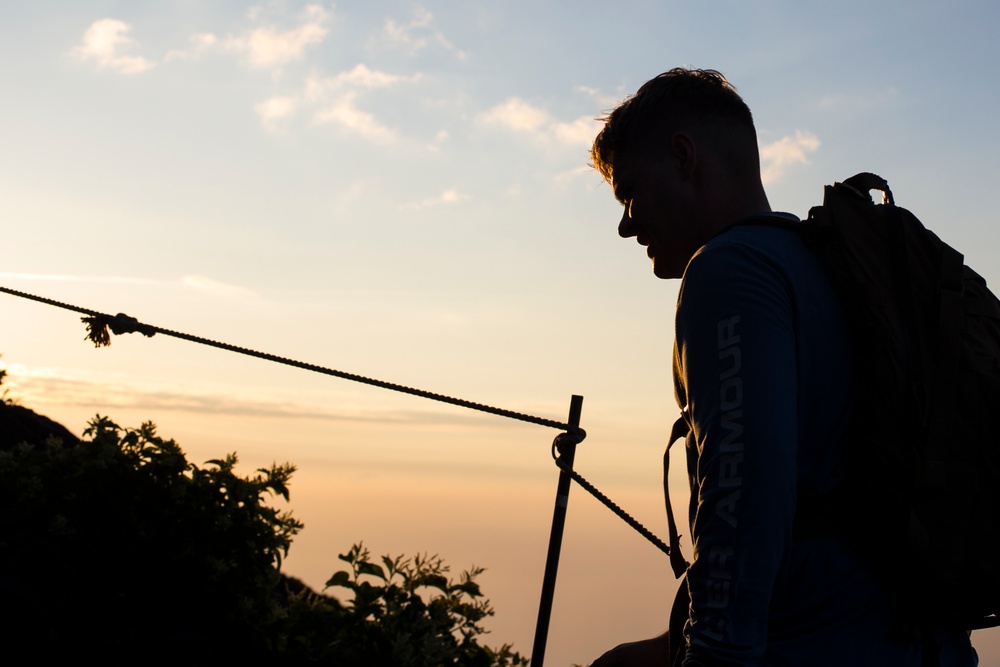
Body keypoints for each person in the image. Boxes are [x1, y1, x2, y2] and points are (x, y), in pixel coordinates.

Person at [588, 68, 978, 667]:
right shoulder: (829, 272)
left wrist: (714, 657)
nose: (627, 224)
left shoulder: (730, 271)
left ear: (684, 156)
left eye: (631, 192)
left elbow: (746, 493)